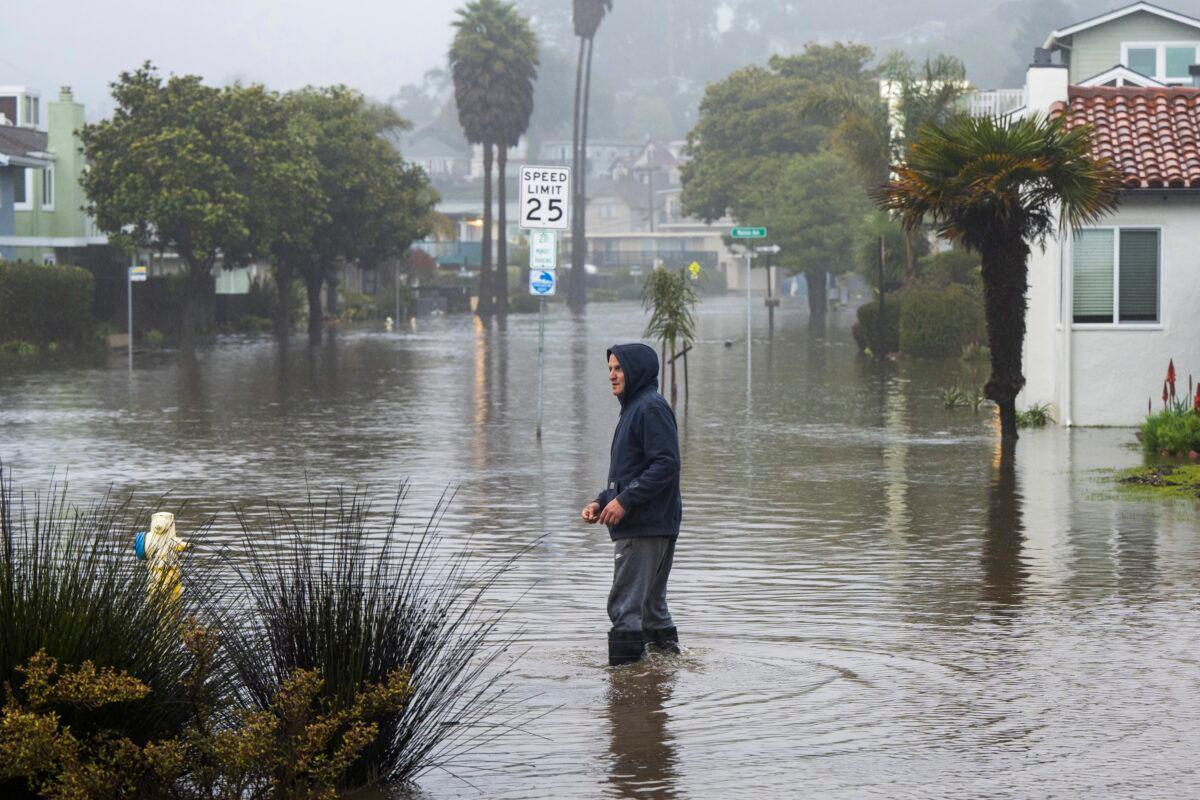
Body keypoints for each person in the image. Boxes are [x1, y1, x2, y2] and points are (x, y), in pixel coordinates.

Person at [581, 343, 682, 666]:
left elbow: (666, 464)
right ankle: (662, 679)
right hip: (652, 522)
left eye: (619, 368)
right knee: (652, 608)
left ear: (636, 370)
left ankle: (625, 695)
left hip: (643, 525)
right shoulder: (636, 408)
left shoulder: (648, 408)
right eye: (610, 369)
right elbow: (633, 470)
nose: (611, 375)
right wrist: (602, 500)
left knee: (625, 608)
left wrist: (624, 501)